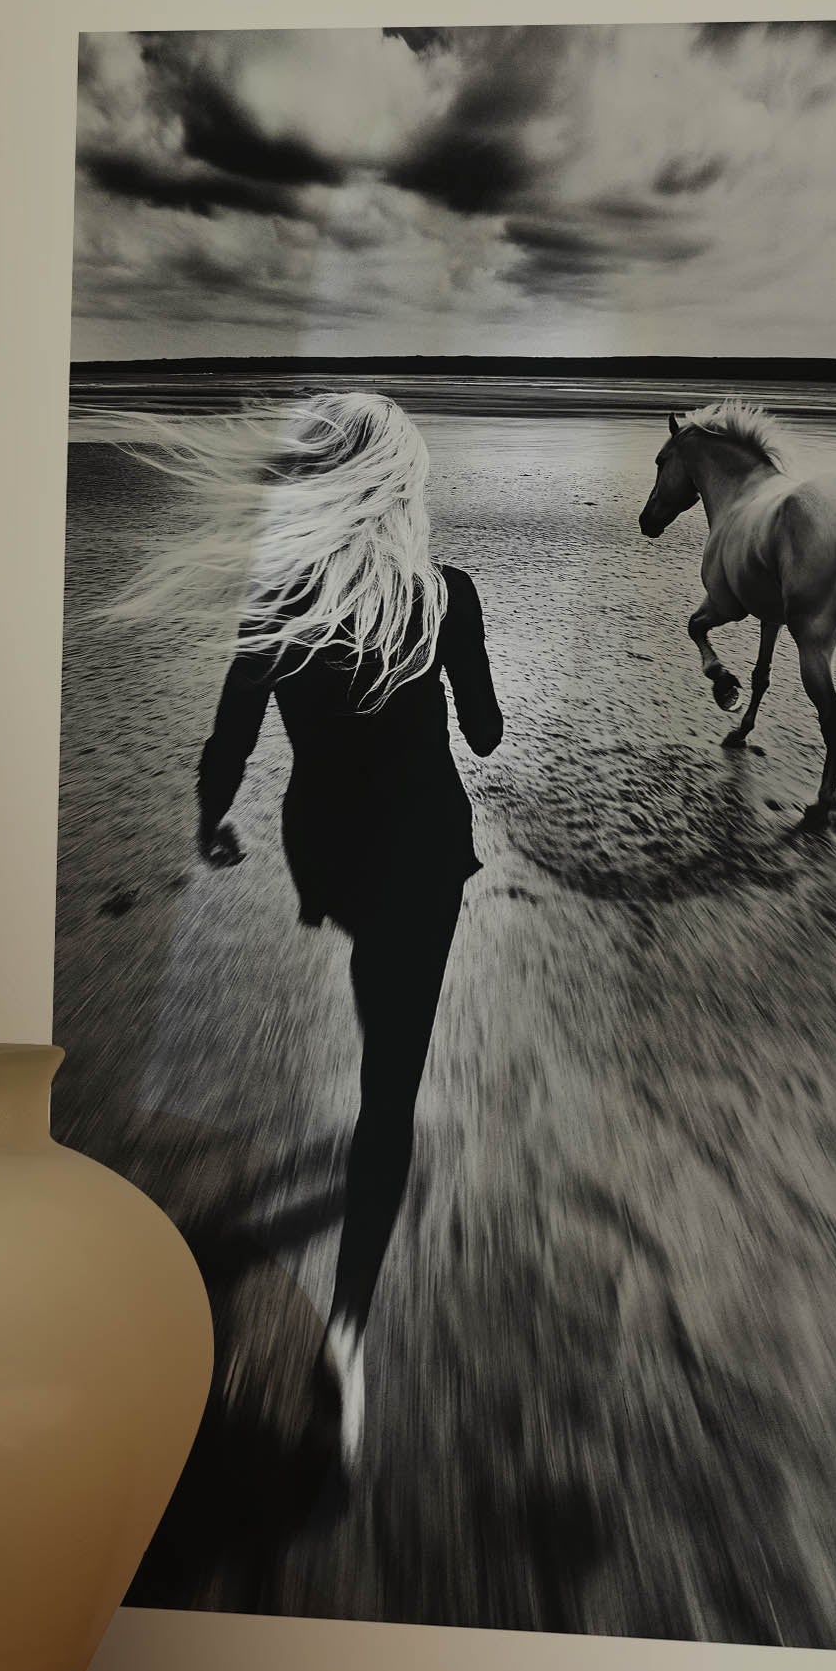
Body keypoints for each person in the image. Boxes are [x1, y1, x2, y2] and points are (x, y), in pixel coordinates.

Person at [114, 390, 502, 1456]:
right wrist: (459, 677)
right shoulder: (446, 595)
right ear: (404, 489)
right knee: (391, 1096)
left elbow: (228, 744)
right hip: (423, 854)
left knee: (372, 956)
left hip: (324, 852)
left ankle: (373, 992)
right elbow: (487, 732)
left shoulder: (279, 601)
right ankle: (346, 1331)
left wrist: (210, 828)